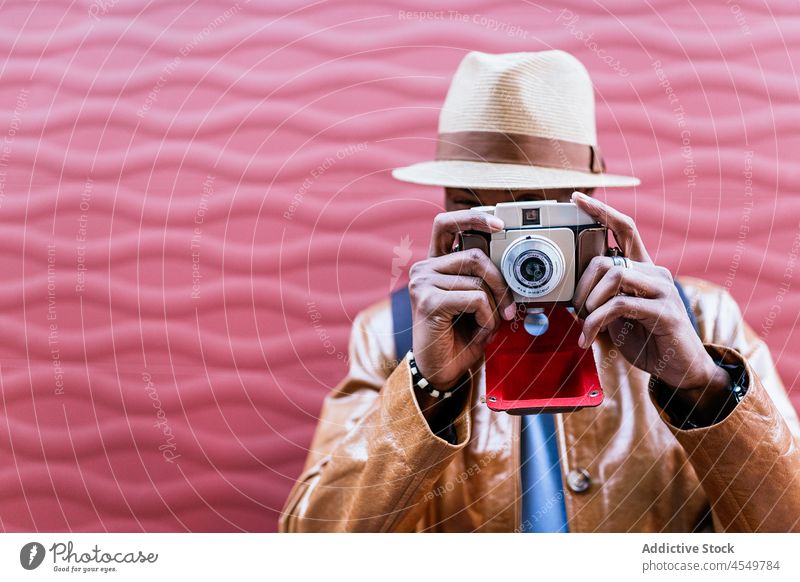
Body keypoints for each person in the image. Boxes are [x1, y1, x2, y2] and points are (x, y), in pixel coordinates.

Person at [280, 50, 800, 532]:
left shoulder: (701, 321)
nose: (512, 248)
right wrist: (428, 389)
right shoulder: (395, 336)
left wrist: (702, 387)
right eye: (474, 209)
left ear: (589, 208)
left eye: (531, 212)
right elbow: (312, 549)